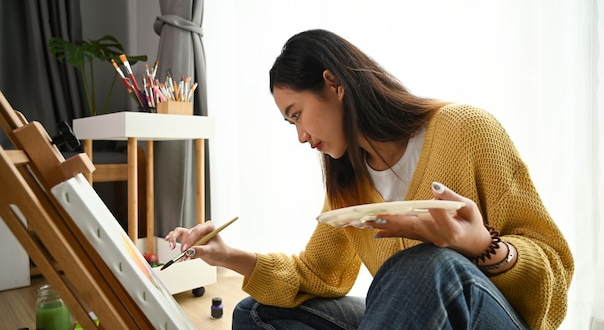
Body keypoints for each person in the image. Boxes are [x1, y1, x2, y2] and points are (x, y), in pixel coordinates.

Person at [165, 29, 574, 329]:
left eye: (297, 114)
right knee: (255, 314)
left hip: (491, 318)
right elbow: (318, 274)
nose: (301, 136)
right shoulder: (349, 186)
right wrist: (225, 255)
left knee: (421, 265)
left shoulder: (464, 130)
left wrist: (481, 244)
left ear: (334, 84)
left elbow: (554, 270)